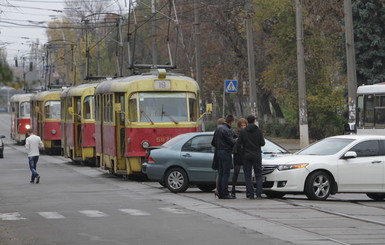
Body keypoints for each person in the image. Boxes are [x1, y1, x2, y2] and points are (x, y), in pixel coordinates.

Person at [236, 115, 265, 199]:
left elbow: (238, 144)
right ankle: (259, 193)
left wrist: (241, 152)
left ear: (247, 122)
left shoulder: (243, 131)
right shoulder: (259, 131)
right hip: (256, 155)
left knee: (247, 175)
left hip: (246, 155)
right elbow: (262, 143)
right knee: (258, 174)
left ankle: (250, 194)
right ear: (255, 121)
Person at [211, 115, 236, 199]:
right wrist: (237, 139)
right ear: (231, 122)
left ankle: (220, 192)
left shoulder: (218, 129)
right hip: (226, 152)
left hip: (218, 152)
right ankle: (225, 193)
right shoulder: (227, 130)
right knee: (226, 173)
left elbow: (213, 142)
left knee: (221, 173)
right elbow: (232, 142)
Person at [231, 118, 248, 198]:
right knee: (236, 171)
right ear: (239, 126)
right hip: (237, 153)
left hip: (244, 153)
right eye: (242, 125)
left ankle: (248, 191)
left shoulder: (247, 132)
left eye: (244, 125)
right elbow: (233, 142)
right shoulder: (235, 132)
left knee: (246, 172)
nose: (243, 127)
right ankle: (233, 190)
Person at [212, 118, 225, 197]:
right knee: (221, 173)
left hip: (217, 152)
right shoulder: (222, 131)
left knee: (219, 172)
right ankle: (218, 189)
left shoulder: (216, 131)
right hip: (221, 152)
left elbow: (213, 142)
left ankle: (217, 189)